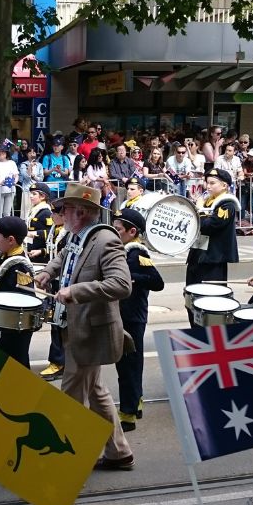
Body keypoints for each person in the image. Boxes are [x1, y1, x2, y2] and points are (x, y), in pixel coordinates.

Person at [35, 183, 135, 471]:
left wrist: (75, 291)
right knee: (96, 392)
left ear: (80, 211)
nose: (59, 212)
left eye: (63, 208)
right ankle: (118, 452)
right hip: (75, 326)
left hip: (91, 331)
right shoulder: (77, 236)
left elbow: (121, 285)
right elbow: (65, 257)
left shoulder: (105, 240)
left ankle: (70, 460)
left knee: (71, 398)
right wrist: (47, 272)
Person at [111, 208, 164, 432]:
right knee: (129, 364)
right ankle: (136, 402)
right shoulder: (124, 250)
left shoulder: (137, 253)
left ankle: (128, 414)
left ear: (132, 232)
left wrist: (132, 278)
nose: (114, 231)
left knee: (128, 366)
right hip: (125, 314)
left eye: (118, 229)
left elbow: (157, 282)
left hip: (132, 317)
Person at [186, 168, 240, 328]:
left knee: (210, 303)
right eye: (207, 182)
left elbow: (210, 225)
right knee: (192, 300)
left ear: (224, 185)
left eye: (212, 183)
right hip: (198, 256)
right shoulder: (208, 201)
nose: (208, 186)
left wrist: (199, 209)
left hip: (213, 259)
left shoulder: (227, 204)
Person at [0, 216, 37, 368]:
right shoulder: (5, 256)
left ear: (11, 240)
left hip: (18, 325)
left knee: (17, 362)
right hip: (9, 323)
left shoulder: (19, 265)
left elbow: (21, 298)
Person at [38, 203, 67, 381]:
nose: (51, 217)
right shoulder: (56, 230)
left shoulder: (68, 234)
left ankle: (59, 362)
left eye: (54, 213)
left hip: (64, 284)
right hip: (55, 281)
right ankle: (59, 360)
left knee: (59, 323)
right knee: (55, 322)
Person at [0, 140, 19, 224]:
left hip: (10, 189)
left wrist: (14, 181)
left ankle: (7, 230)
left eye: (3, 152)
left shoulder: (12, 163)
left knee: (7, 213)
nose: (1, 153)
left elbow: (16, 175)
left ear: (6, 153)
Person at [25, 182, 53, 263]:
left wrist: (34, 233)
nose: (31, 196)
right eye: (31, 193)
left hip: (40, 250)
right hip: (31, 246)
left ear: (43, 196)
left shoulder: (46, 212)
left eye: (34, 194)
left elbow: (51, 232)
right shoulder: (34, 210)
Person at [18, 144, 45, 218]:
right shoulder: (23, 165)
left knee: (36, 211)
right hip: (27, 190)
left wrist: (34, 176)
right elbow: (26, 177)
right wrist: (30, 167)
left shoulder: (39, 165)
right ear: (27, 154)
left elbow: (41, 178)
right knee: (26, 212)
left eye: (33, 152)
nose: (32, 154)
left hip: (37, 191)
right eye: (30, 153)